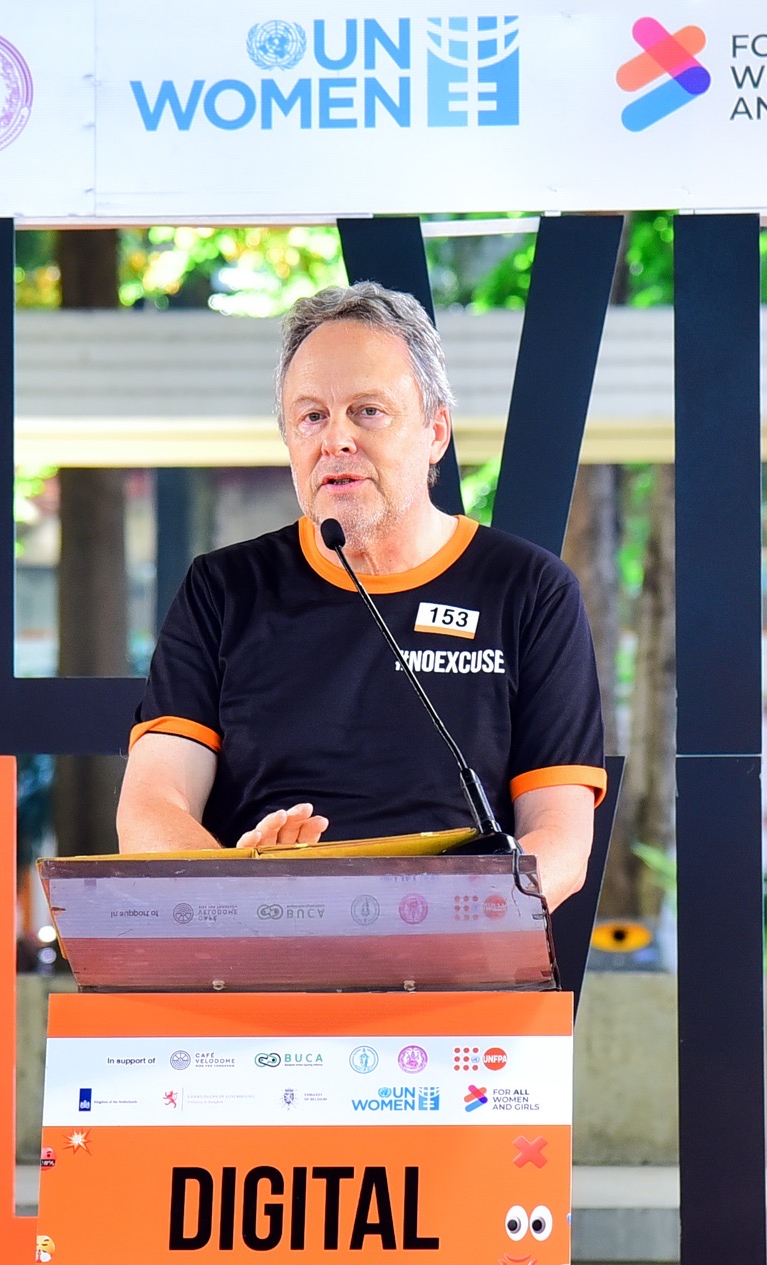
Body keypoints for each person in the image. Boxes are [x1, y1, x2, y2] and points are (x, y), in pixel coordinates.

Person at [117, 281, 608, 905]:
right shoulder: (223, 589)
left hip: (454, 947)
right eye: (311, 416)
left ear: (436, 431)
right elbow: (150, 809)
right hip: (265, 944)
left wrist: (458, 923)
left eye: (368, 411)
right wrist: (248, 891)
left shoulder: (529, 589)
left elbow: (561, 840)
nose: (336, 440)